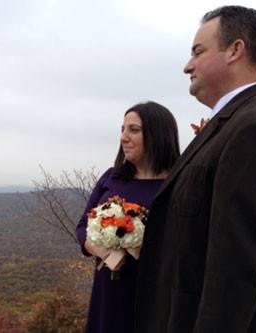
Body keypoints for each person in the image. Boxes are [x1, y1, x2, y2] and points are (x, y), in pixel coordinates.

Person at [135, 6, 256, 333]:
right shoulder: (229, 126)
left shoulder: (255, 128)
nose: (187, 66)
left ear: (235, 51)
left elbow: (235, 271)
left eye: (198, 52)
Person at [76, 101, 180, 333]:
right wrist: (102, 250)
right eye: (122, 129)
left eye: (133, 130)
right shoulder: (111, 178)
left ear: (158, 134)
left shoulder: (178, 184)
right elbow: (83, 226)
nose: (124, 137)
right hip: (109, 294)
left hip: (155, 295)